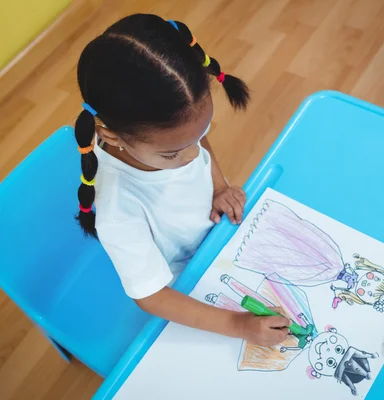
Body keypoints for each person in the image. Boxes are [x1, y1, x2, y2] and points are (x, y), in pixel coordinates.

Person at [74, 14, 289, 346]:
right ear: (111, 135)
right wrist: (238, 326)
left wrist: (218, 186)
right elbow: (152, 296)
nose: (193, 157)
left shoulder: (176, 128)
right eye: (173, 153)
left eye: (200, 135)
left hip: (219, 242)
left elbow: (194, 139)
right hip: (191, 286)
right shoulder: (116, 208)